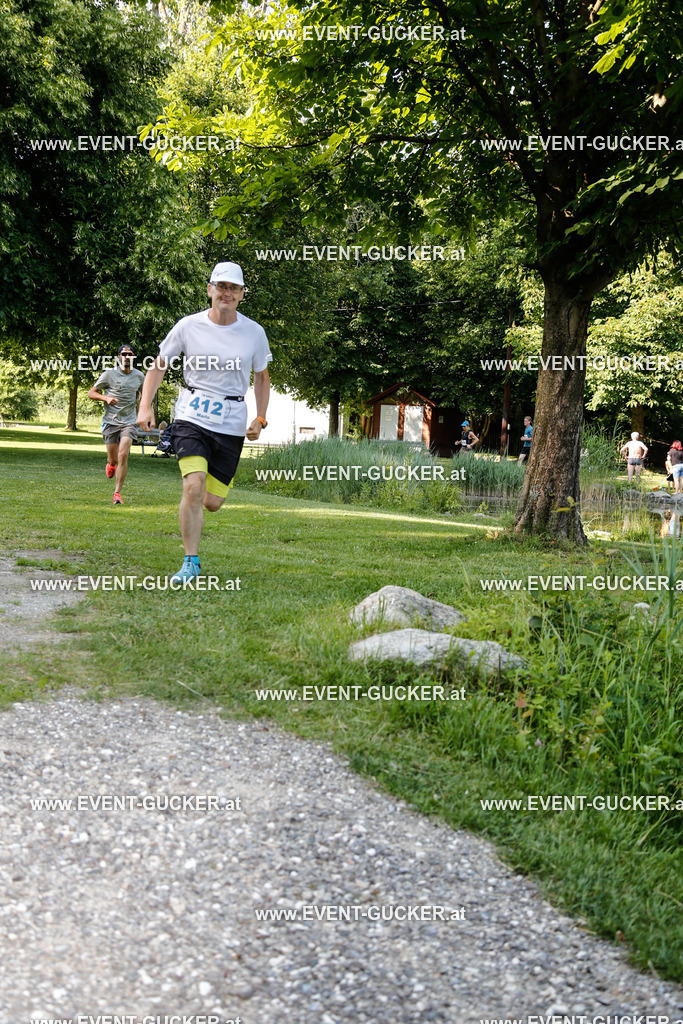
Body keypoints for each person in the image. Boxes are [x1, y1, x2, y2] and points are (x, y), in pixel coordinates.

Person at [137, 261, 271, 584]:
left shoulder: (254, 333)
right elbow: (159, 365)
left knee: (211, 502)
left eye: (233, 288)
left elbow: (262, 377)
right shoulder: (188, 326)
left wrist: (261, 417)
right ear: (210, 289)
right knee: (193, 485)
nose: (226, 292)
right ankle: (190, 562)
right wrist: (144, 406)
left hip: (231, 421)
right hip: (191, 415)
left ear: (241, 295)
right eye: (221, 286)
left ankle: (214, 486)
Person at [87, 345, 145, 505]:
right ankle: (110, 465)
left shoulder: (139, 376)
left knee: (123, 455)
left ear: (133, 357)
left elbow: (144, 394)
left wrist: (145, 411)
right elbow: (91, 393)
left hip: (129, 422)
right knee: (113, 459)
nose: (126, 356)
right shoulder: (109, 374)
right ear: (118, 357)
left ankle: (117, 493)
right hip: (111, 422)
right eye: (123, 354)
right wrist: (106, 398)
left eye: (129, 354)